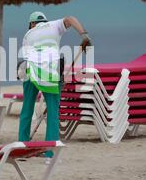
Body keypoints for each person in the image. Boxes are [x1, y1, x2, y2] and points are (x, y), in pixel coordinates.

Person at [18, 11, 92, 162]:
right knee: (53, 112)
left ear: (32, 24)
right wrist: (83, 35)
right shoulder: (54, 25)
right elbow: (71, 18)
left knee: (27, 109)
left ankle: (22, 150)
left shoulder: (28, 35)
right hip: (51, 72)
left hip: (30, 71)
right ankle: (50, 155)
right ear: (45, 21)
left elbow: (28, 57)